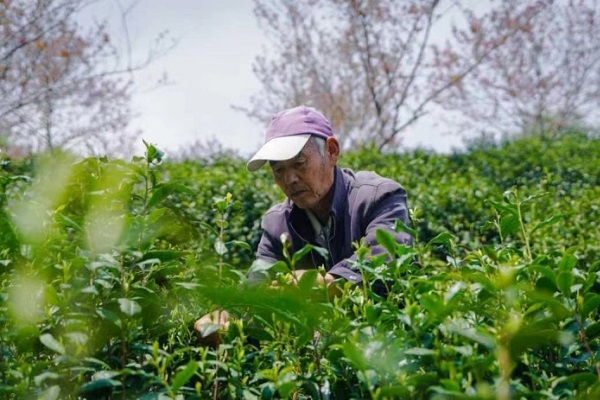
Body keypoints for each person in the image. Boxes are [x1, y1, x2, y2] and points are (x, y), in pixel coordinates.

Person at [194, 105, 412, 342]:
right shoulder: (277, 224)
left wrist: (316, 284)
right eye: (279, 171)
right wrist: (224, 316)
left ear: (331, 151)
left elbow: (385, 269)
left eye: (299, 164)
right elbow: (255, 292)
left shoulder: (378, 196)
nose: (290, 180)